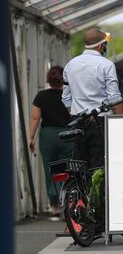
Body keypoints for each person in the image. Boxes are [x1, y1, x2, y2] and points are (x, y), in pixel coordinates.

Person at [62, 29, 123, 168]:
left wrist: (76, 114)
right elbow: (114, 99)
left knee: (80, 163)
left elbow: (66, 99)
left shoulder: (70, 65)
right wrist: (121, 124)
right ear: (102, 46)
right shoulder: (106, 65)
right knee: (99, 164)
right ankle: (98, 190)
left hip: (77, 119)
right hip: (100, 120)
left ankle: (79, 189)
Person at [28, 66, 73, 220]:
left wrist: (31, 137)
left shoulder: (41, 96)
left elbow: (35, 118)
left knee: (50, 170)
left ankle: (54, 207)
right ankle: (68, 203)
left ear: (49, 79)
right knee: (65, 168)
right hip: (67, 135)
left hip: (48, 136)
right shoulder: (69, 95)